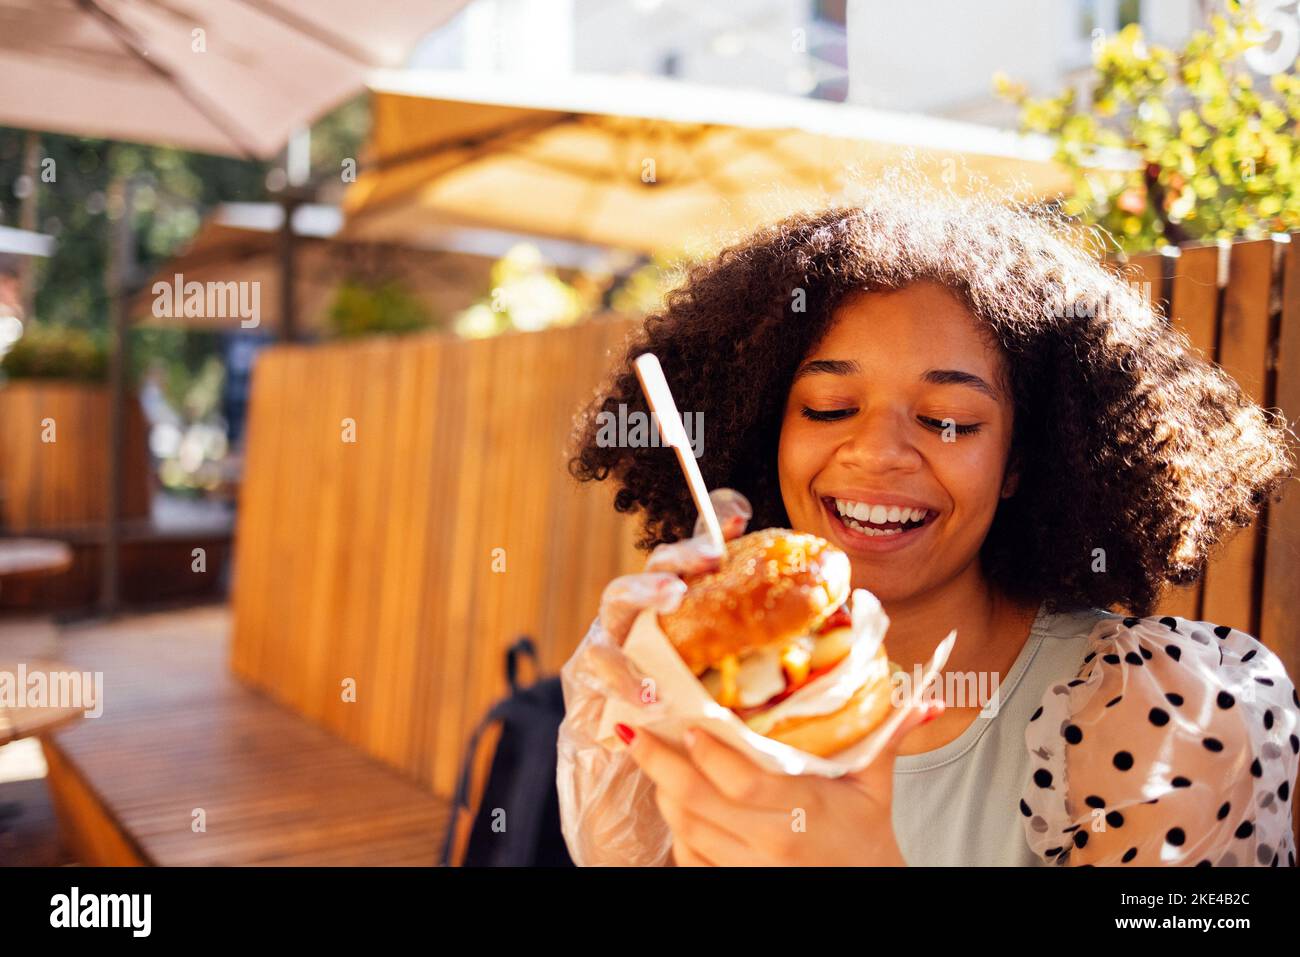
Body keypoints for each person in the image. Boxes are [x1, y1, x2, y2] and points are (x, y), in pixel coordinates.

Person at [555, 184, 1299, 867]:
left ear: (1019, 461)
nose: (878, 453)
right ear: (763, 434)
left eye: (948, 421)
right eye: (827, 407)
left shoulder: (1157, 715)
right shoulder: (704, 694)